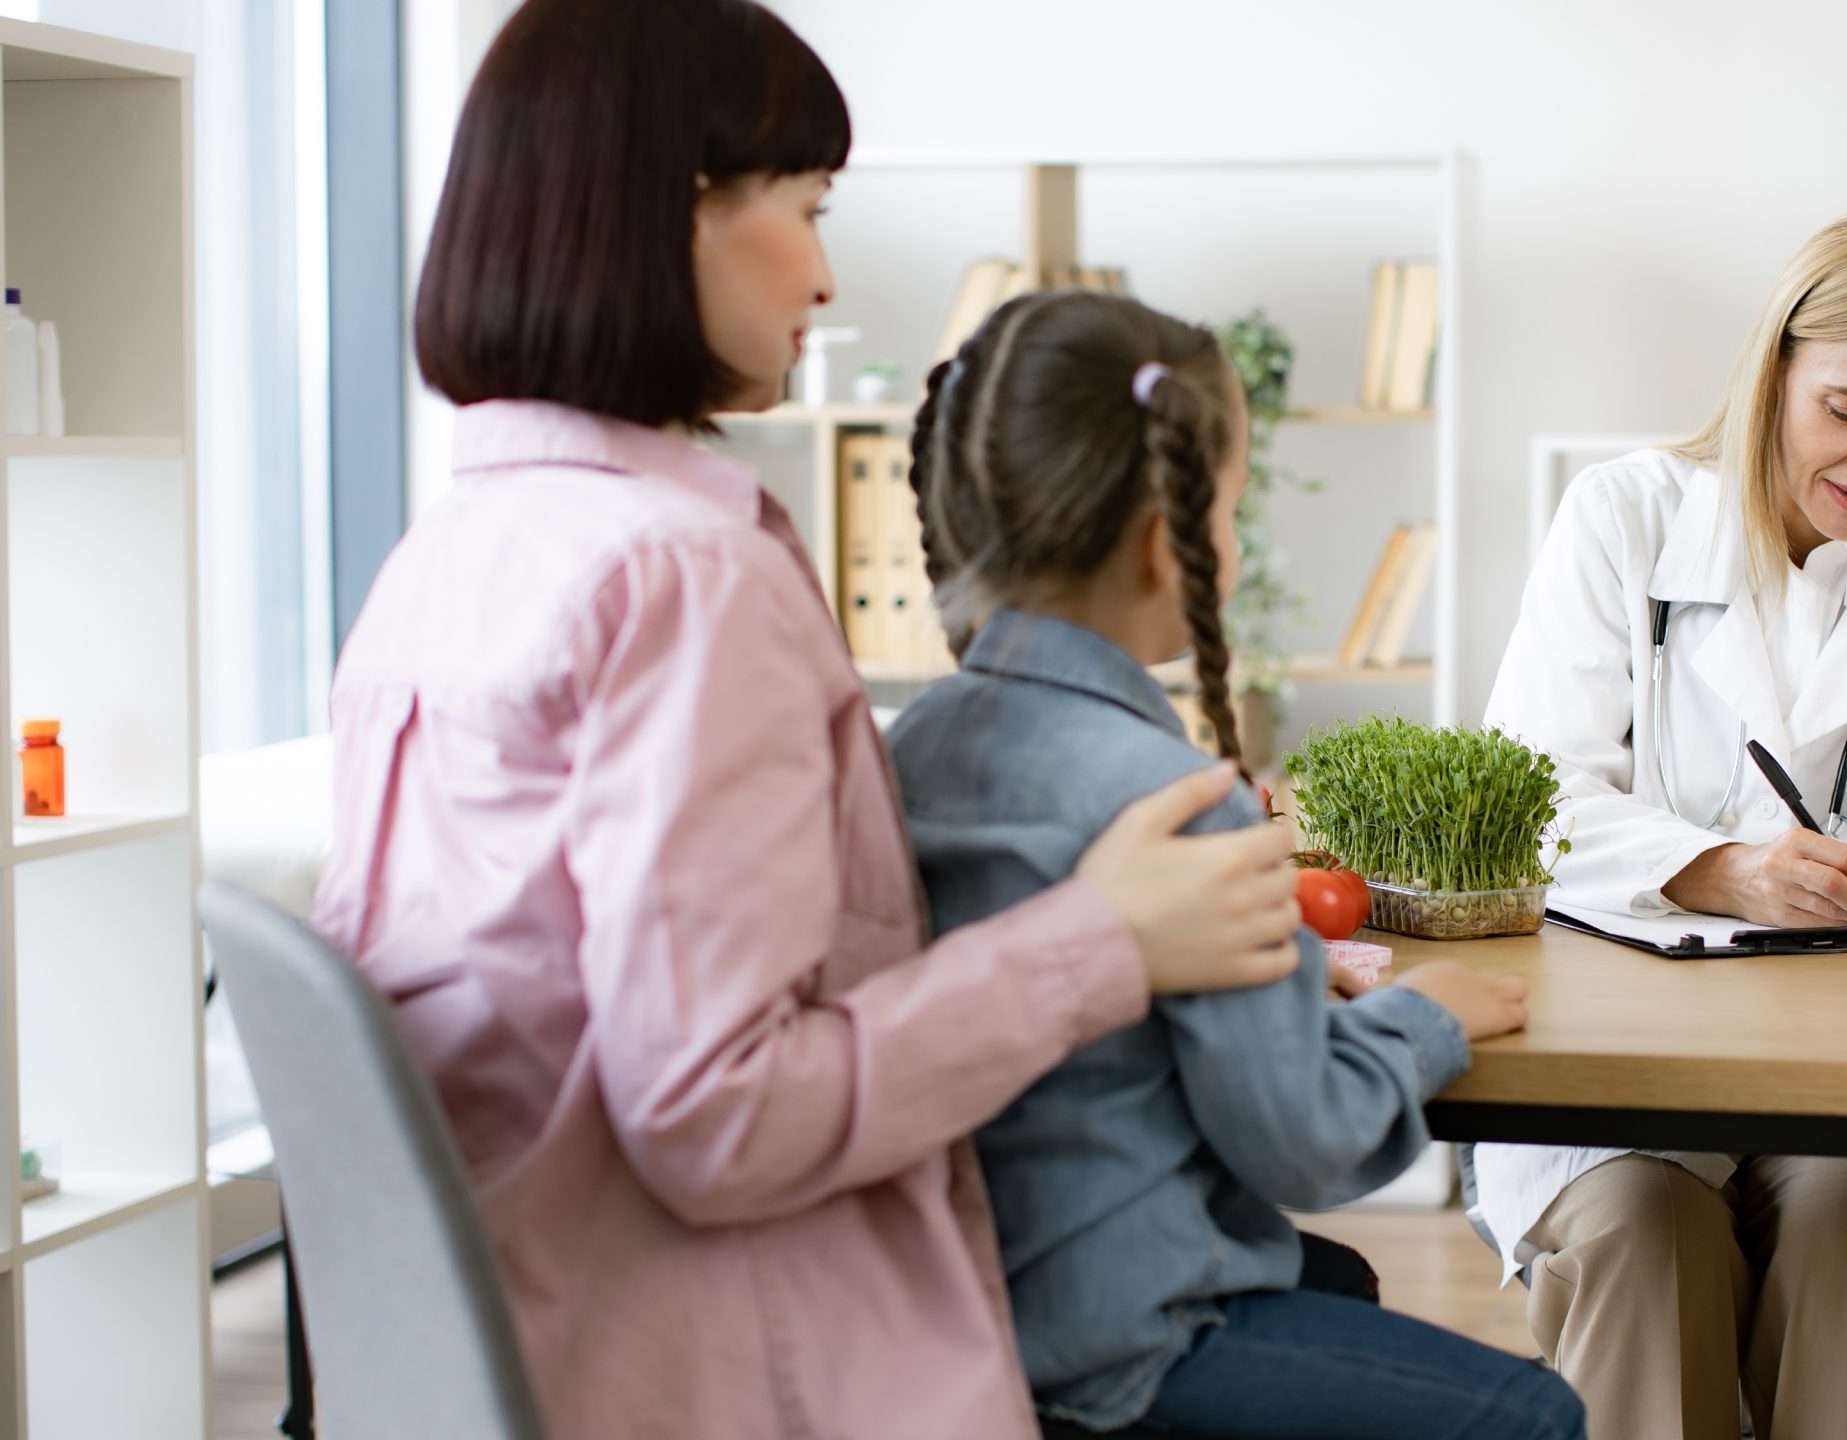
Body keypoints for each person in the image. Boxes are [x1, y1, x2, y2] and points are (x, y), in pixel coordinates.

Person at [308, 4, 1311, 1437]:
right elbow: (723, 1118)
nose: (828, 275)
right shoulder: (677, 577)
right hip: (717, 1357)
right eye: (807, 207)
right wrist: (1107, 942)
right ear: (675, 212)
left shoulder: (447, 556)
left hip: (519, 1333)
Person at [885, 290, 1587, 1440]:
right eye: (1231, 506)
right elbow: (1301, 1140)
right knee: (1531, 1417)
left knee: (1332, 1283)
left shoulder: (913, 748)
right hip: (1117, 1339)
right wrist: (1427, 1019)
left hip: (959, 1308)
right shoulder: (1177, 807)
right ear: (1170, 543)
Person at [1473, 200, 1847, 1440]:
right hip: (1627, 1072)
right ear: (1776, 370)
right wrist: (1711, 867)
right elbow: (1525, 799)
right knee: (1644, 1237)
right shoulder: (1625, 517)